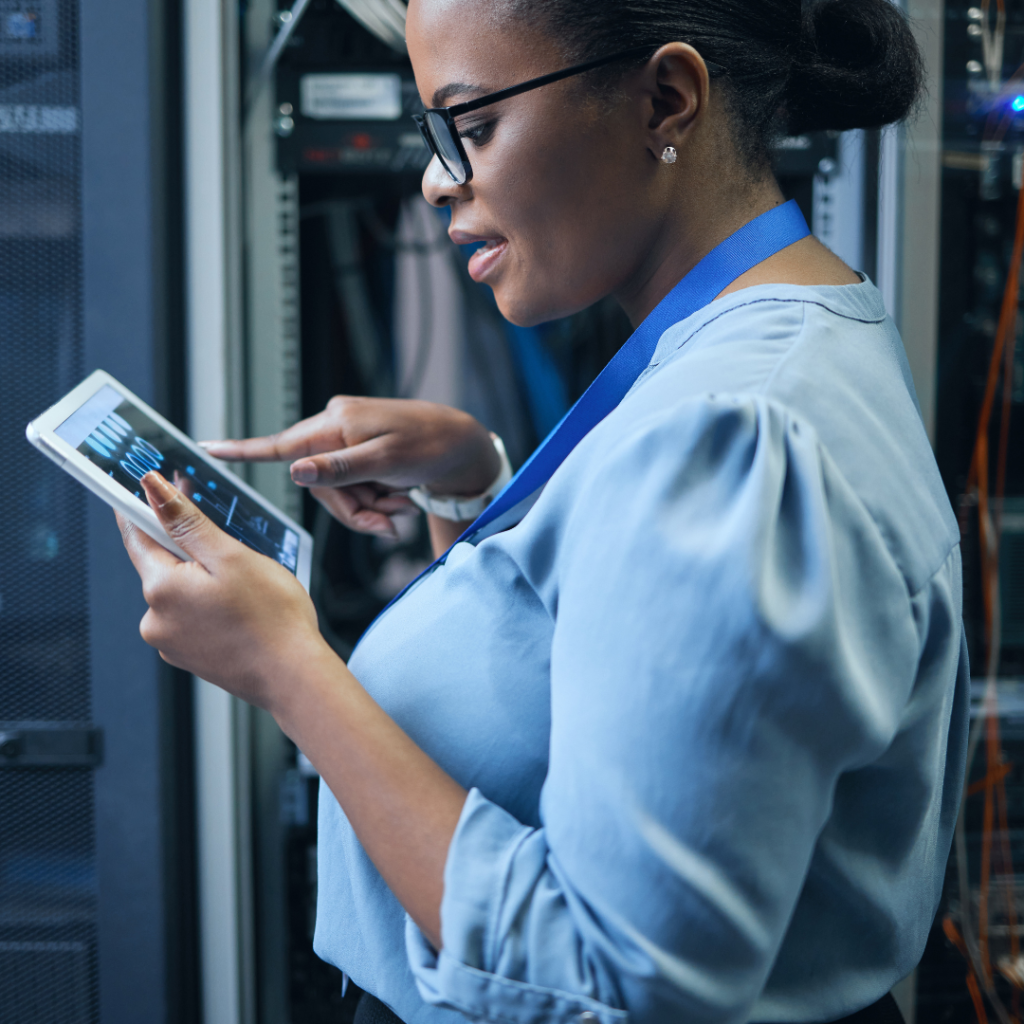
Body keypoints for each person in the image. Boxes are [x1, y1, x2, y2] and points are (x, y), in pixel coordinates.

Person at [117, 0, 969, 1022]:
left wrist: (288, 668)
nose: (437, 179)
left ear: (667, 98)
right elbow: (567, 698)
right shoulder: (784, 333)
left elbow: (614, 980)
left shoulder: (728, 436)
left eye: (470, 127)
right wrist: (478, 487)